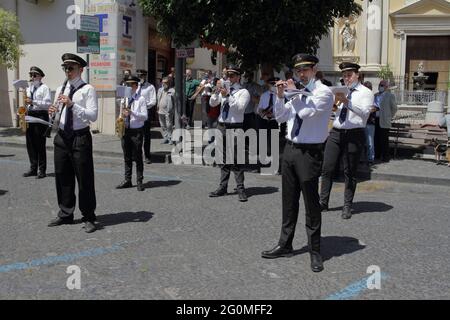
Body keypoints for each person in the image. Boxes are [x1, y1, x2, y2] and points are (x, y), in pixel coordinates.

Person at [261, 54, 334, 273]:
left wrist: (293, 94)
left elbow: (307, 113)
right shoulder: (296, 93)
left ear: (314, 69)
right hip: (291, 149)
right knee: (289, 201)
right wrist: (281, 96)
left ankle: (315, 251)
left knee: (312, 205)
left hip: (310, 153)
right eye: (298, 71)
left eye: (305, 70)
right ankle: (285, 244)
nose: (301, 74)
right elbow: (281, 117)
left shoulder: (324, 92)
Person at [47, 53, 99, 233]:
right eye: (65, 68)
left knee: (84, 178)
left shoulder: (88, 89)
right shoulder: (62, 88)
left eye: (71, 68)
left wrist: (72, 105)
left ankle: (89, 216)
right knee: (62, 177)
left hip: (80, 137)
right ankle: (65, 213)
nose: (67, 71)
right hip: (62, 136)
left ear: (80, 70)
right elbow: (56, 114)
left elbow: (92, 116)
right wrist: (52, 112)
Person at [319, 62, 374, 220]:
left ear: (357, 75)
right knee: (327, 168)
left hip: (354, 134)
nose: (346, 78)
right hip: (336, 132)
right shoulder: (340, 89)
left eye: (349, 75)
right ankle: (323, 202)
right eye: (344, 75)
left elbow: (364, 113)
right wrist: (333, 106)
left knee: (349, 171)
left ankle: (347, 206)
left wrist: (346, 102)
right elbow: (334, 111)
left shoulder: (366, 92)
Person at [208, 64, 250, 202]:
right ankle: (223, 187)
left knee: (236, 160)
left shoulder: (243, 92)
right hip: (222, 126)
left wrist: (228, 96)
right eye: (227, 75)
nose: (229, 78)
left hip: (235, 127)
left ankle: (240, 188)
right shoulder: (224, 90)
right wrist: (216, 91)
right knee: (222, 159)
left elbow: (239, 108)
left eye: (232, 75)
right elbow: (213, 103)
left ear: (238, 77)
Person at [116, 75, 148, 192]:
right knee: (127, 156)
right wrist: (120, 119)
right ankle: (127, 180)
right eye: (126, 84)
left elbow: (144, 116)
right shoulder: (124, 99)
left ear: (135, 85)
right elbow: (121, 113)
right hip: (126, 129)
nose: (127, 87)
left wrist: (132, 112)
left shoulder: (141, 99)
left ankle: (139, 181)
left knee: (138, 157)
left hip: (136, 131)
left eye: (129, 85)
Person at [23, 66, 52, 179]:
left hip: (40, 115)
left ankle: (42, 170)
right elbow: (26, 103)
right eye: (31, 75)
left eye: (34, 75)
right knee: (30, 144)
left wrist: (33, 101)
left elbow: (47, 103)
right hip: (29, 115)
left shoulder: (44, 88)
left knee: (40, 144)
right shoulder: (28, 88)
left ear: (40, 76)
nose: (32, 77)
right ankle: (33, 168)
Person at [256, 77, 280, 170]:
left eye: (275, 84)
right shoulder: (264, 95)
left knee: (273, 144)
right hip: (264, 120)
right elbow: (258, 109)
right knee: (262, 143)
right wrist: (262, 111)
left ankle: (274, 166)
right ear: (269, 85)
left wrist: (273, 114)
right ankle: (260, 165)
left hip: (274, 121)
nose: (273, 86)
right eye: (272, 84)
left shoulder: (280, 96)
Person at [136, 69, 157, 164]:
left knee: (146, 136)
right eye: (139, 76)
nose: (140, 78)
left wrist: (144, 106)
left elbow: (153, 101)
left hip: (145, 112)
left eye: (142, 76)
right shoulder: (135, 86)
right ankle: (136, 155)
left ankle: (147, 156)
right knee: (136, 135)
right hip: (135, 112)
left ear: (145, 76)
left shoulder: (150, 87)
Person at [374, 80, 397, 162]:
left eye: (382, 85)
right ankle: (377, 155)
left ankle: (385, 156)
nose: (380, 86)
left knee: (384, 140)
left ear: (386, 87)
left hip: (384, 120)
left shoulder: (390, 96)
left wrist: (389, 116)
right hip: (375, 120)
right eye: (380, 85)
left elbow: (394, 108)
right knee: (376, 139)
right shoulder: (375, 95)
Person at [157, 77, 176, 144]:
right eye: (163, 82)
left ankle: (170, 138)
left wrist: (174, 110)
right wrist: (157, 107)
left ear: (169, 83)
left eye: (166, 82)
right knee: (162, 125)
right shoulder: (160, 90)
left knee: (169, 125)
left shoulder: (172, 91)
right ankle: (166, 137)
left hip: (168, 111)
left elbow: (175, 101)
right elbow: (158, 99)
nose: (164, 84)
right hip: (160, 110)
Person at [363, 81, 376, 165]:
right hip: (361, 122)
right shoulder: (362, 96)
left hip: (370, 123)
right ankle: (362, 158)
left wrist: (366, 110)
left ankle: (370, 159)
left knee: (370, 142)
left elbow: (375, 108)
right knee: (362, 142)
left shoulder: (373, 97)